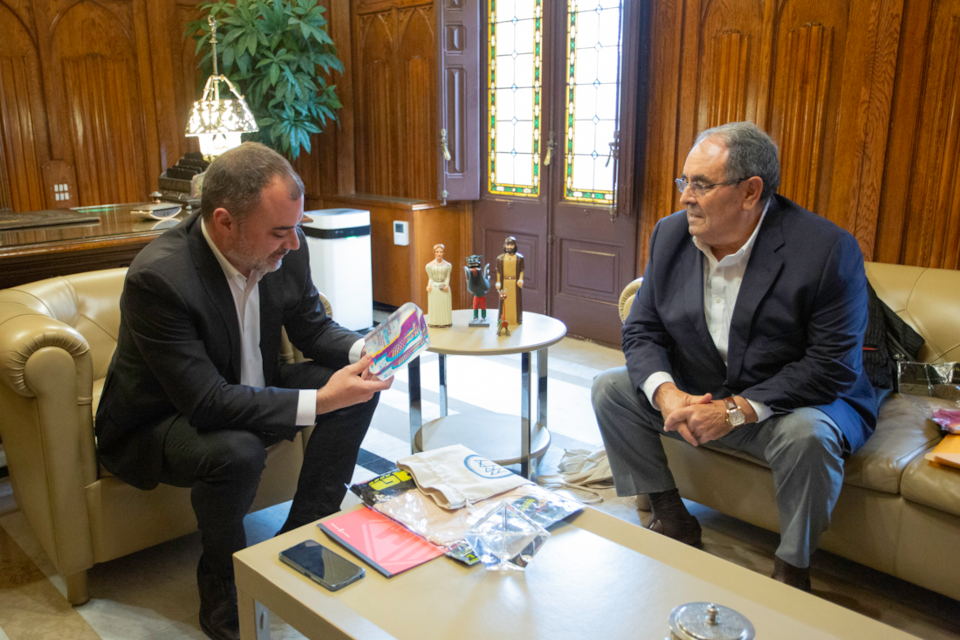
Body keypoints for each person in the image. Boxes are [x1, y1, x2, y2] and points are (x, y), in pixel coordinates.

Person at [95, 142, 392, 640]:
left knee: (358, 388)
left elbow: (314, 330)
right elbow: (207, 402)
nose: (294, 243)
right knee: (237, 450)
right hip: (158, 421)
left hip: (247, 387)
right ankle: (221, 591)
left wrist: (369, 349)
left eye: (296, 226)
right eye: (280, 231)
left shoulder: (288, 252)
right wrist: (319, 401)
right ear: (225, 221)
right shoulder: (159, 278)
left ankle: (301, 536)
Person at [591, 122, 878, 591]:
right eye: (684, 182)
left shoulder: (826, 250)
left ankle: (793, 569)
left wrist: (735, 411)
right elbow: (642, 328)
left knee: (809, 435)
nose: (686, 197)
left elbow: (831, 365)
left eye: (701, 185)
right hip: (708, 386)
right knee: (611, 389)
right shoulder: (670, 236)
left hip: (791, 402)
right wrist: (667, 394)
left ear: (750, 192)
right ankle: (671, 516)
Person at [495, 235, 524, 325]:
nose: (509, 247)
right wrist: (498, 281)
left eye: (511, 245)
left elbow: (522, 270)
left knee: (515, 302)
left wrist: (521, 279)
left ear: (515, 246)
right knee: (504, 300)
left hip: (515, 283)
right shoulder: (500, 258)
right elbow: (498, 271)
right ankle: (503, 320)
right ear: (505, 246)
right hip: (504, 283)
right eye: (508, 245)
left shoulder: (519, 258)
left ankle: (516, 319)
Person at [425, 242, 452, 327]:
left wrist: (446, 285)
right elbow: (430, 278)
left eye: (440, 252)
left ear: (443, 253)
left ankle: (445, 322)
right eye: (437, 252)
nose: (439, 254)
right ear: (434, 253)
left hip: (444, 287)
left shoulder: (448, 265)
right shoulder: (429, 266)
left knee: (444, 307)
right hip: (434, 287)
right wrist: (428, 286)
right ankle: (434, 322)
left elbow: (447, 277)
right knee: (435, 307)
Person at [464, 254, 491, 326]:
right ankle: (475, 317)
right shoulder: (470, 276)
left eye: (475, 266)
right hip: (476, 295)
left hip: (482, 295)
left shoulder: (480, 277)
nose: (474, 269)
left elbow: (485, 286)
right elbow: (470, 288)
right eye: (472, 267)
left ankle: (483, 317)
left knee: (483, 306)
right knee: (475, 306)